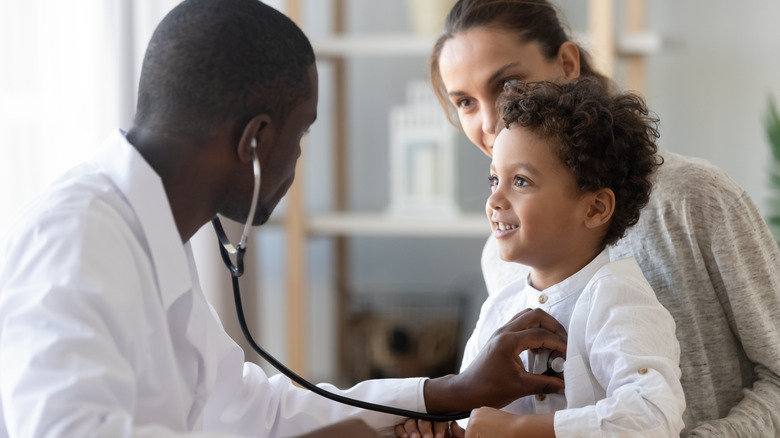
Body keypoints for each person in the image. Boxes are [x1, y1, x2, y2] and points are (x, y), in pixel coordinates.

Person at [0, 0, 571, 437]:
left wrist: (451, 390)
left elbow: (256, 409)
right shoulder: (74, 237)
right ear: (255, 141)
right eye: (299, 134)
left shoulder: (148, 236)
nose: (297, 158)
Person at [397, 0, 780, 437]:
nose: (490, 121)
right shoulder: (504, 259)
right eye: (465, 102)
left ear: (566, 63)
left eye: (507, 84)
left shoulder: (694, 199)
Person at [472, 77, 684, 436]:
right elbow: (472, 415)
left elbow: (653, 417)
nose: (495, 200)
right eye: (495, 180)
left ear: (595, 208)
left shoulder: (618, 300)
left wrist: (521, 429)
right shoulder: (499, 309)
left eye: (520, 181)